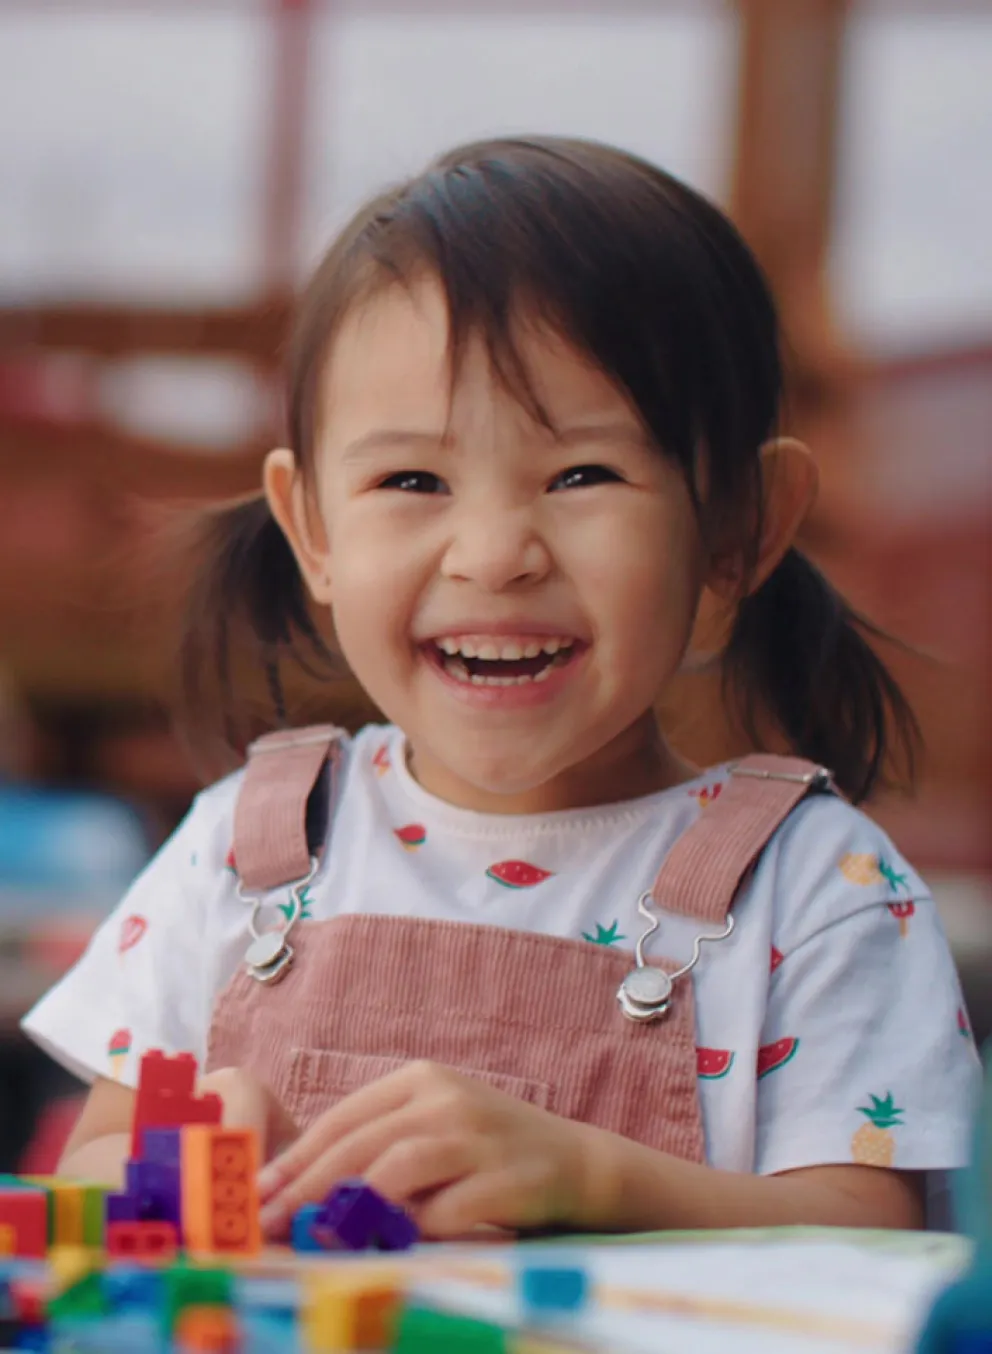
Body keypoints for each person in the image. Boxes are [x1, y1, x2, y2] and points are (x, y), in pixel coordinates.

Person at [23, 137, 980, 1241]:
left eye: (582, 475)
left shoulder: (815, 893)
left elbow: (872, 1251)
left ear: (739, 527)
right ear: (313, 530)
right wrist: (173, 1164)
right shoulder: (247, 849)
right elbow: (76, 1193)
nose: (491, 553)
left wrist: (600, 1182)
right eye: (410, 479)